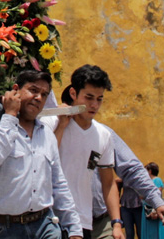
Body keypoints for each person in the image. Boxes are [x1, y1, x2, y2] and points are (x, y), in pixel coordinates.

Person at [0, 69, 82, 239]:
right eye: (33, 90)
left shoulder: (46, 134)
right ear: (15, 90)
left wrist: (74, 229)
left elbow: (58, 184)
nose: (38, 98)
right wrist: (10, 114)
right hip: (4, 229)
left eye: (44, 95)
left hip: (45, 225)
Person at [50, 65, 122, 239]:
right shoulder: (52, 121)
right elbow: (43, 160)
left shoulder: (103, 135)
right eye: (89, 97)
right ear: (74, 94)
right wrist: (61, 127)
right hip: (50, 218)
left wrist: (117, 224)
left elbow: (108, 183)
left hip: (82, 221)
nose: (94, 105)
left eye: (99, 99)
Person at [89, 131, 164, 239]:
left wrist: (157, 201)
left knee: (137, 231)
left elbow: (130, 170)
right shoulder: (61, 131)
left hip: (103, 219)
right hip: (69, 222)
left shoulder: (102, 133)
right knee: (130, 232)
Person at [140, 163, 164, 239]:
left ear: (150, 171)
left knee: (155, 233)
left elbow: (156, 195)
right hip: (146, 210)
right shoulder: (147, 182)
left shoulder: (157, 180)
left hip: (154, 209)